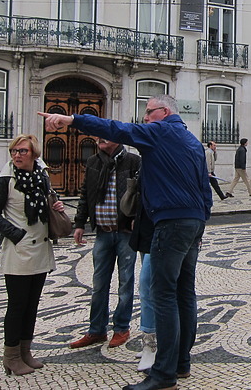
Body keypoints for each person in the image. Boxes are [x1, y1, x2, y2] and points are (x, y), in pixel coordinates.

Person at [40, 94, 212, 390]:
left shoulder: (161, 132)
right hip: (193, 221)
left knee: (164, 294)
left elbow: (119, 129)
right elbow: (205, 185)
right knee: (184, 292)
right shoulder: (192, 141)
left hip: (170, 222)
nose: (145, 117)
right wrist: (200, 219)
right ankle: (181, 363)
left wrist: (73, 120)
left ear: (165, 111)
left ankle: (164, 374)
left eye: (148, 111)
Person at [0, 134, 66, 376]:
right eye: (14, 151)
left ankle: (25, 351)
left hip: (41, 247)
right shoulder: (4, 179)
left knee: (32, 305)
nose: (17, 155)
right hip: (19, 250)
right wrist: (16, 234)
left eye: (22, 151)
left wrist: (57, 205)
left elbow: (47, 202)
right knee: (17, 304)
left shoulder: (41, 176)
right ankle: (10, 356)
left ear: (34, 154)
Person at [69, 138, 141, 350]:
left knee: (125, 283)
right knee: (99, 284)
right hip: (102, 232)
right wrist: (80, 223)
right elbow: (86, 193)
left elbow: (142, 192)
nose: (99, 139)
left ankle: (121, 328)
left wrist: (138, 216)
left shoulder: (133, 161)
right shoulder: (93, 162)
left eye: (105, 136)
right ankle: (96, 329)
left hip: (125, 232)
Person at [129, 194, 156, 373]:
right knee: (147, 288)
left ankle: (151, 345)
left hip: (164, 227)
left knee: (146, 286)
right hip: (145, 228)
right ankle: (152, 343)